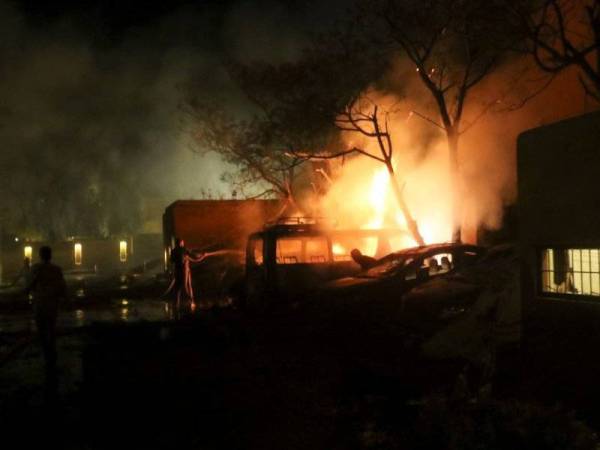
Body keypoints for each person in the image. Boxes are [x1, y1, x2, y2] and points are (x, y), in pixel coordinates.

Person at [25, 246, 67, 397]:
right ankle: (52, 357)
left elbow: (28, 286)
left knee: (42, 332)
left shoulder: (36, 269)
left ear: (40, 255)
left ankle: (48, 358)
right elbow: (63, 289)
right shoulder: (57, 270)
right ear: (51, 255)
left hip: (40, 305)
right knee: (51, 330)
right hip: (52, 306)